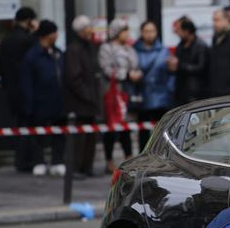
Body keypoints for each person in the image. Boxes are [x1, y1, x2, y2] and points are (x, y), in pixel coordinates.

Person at [19, 20, 65, 177]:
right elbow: (26, 82)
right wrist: (29, 104)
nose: (57, 35)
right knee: (38, 134)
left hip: (57, 100)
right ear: (46, 35)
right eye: (54, 32)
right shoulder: (32, 56)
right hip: (39, 101)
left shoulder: (57, 53)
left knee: (58, 133)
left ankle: (58, 161)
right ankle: (38, 161)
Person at [0, 6, 38, 172]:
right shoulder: (29, 41)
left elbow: (0, 68)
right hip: (27, 91)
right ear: (29, 21)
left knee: (20, 125)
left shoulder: (5, 40)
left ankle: (20, 160)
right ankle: (26, 161)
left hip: (11, 91)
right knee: (29, 126)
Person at [98, 18, 142, 174]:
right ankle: (109, 160)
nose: (127, 34)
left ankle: (129, 158)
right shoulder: (106, 48)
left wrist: (137, 73)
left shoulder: (130, 49)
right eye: (124, 31)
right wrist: (127, 74)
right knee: (111, 127)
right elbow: (107, 69)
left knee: (126, 127)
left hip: (127, 92)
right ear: (116, 32)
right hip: (113, 93)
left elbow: (136, 65)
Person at [63, 15, 101, 177]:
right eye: (87, 28)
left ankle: (87, 166)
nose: (90, 31)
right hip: (79, 102)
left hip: (91, 100)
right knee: (79, 137)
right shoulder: (74, 49)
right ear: (80, 31)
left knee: (90, 136)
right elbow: (74, 77)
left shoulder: (90, 47)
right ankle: (76, 168)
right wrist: (87, 94)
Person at [133, 21, 174, 149]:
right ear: (141, 33)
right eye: (147, 31)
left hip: (161, 97)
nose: (150, 34)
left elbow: (171, 74)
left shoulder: (164, 51)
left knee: (162, 133)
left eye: (152, 31)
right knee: (143, 133)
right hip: (143, 96)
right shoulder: (134, 51)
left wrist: (169, 91)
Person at [168, 17, 209, 105]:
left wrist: (179, 66)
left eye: (179, 30)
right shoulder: (180, 45)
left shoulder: (201, 46)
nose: (176, 32)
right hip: (181, 93)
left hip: (196, 93)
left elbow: (201, 68)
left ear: (186, 31)